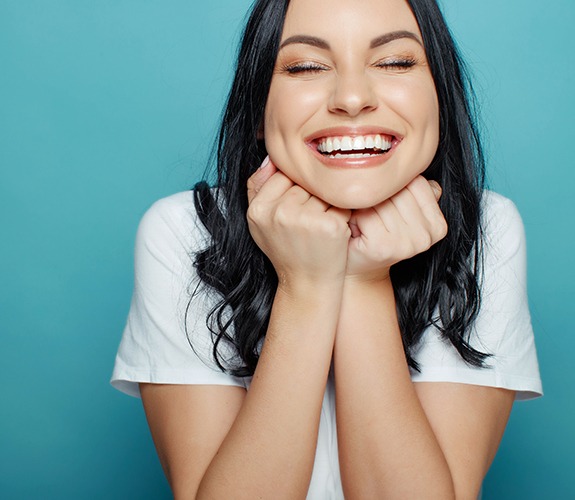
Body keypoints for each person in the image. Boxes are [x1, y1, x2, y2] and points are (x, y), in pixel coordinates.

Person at [111, 0, 542, 498]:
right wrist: (308, 286)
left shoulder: (485, 229)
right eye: (306, 67)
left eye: (395, 62)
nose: (353, 97)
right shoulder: (186, 231)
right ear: (257, 110)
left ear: (440, 95)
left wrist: (364, 279)